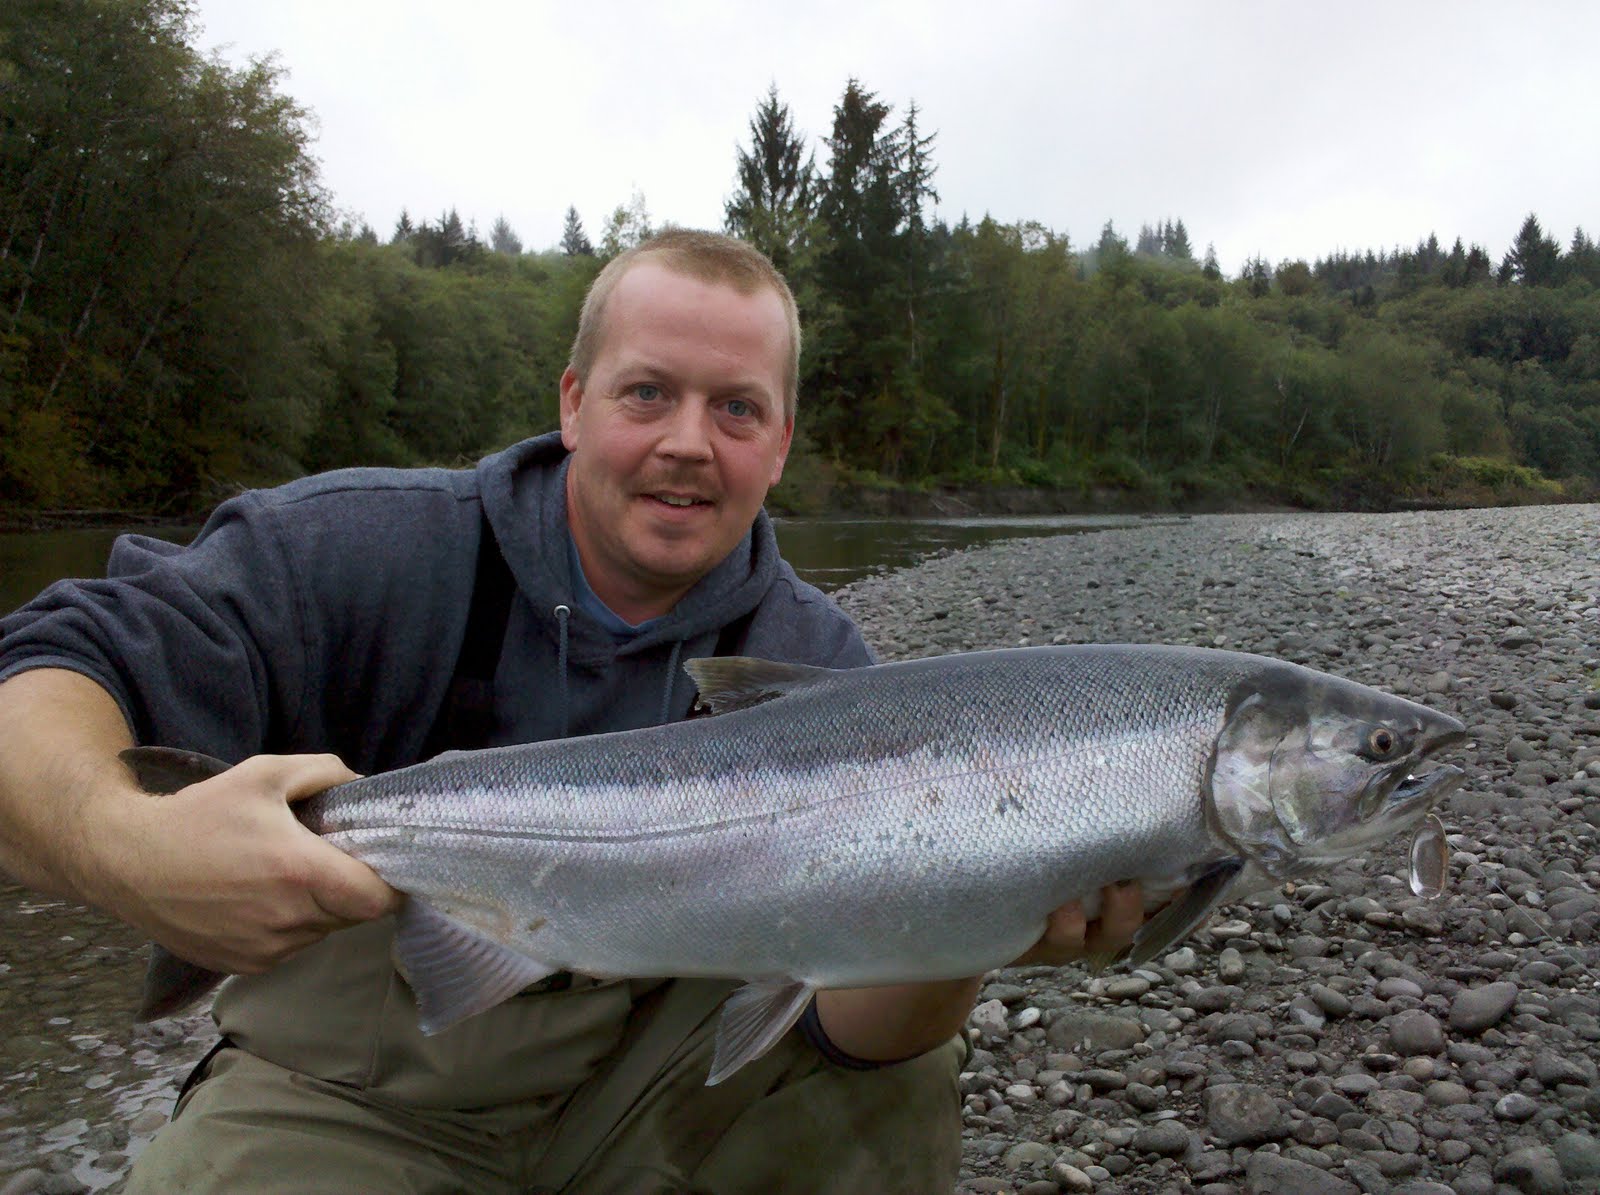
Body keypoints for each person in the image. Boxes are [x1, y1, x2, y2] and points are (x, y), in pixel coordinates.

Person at [0, 229, 1143, 1193]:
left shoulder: (820, 667)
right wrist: (126, 845)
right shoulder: (354, 548)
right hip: (355, 1098)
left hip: (659, 1102)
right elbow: (50, 667)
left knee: (909, 1080)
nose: (688, 441)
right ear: (573, 403)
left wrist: (977, 922)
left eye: (737, 409)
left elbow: (843, 1039)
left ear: (780, 445)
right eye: (648, 392)